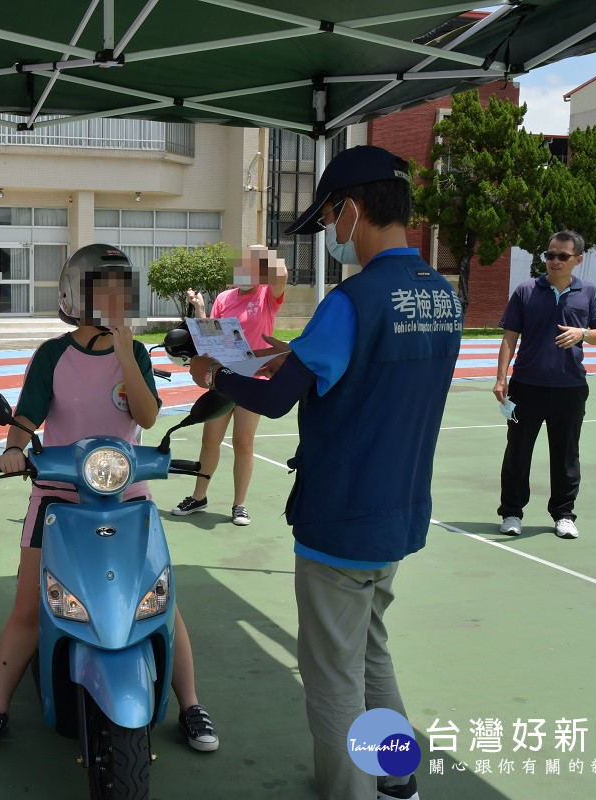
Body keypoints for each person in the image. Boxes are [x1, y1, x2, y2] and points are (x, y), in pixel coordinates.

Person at [188, 145, 462, 800]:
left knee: (333, 678)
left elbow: (278, 396)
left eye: (331, 218)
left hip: (339, 519)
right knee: (370, 653)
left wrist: (215, 374)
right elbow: (346, 367)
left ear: (352, 210)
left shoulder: (353, 299)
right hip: (397, 516)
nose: (332, 234)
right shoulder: (440, 297)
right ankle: (397, 780)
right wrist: (286, 352)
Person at [0, 244, 219, 755]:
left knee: (162, 605)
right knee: (28, 608)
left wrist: (128, 356)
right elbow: (25, 418)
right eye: (105, 287)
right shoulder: (52, 356)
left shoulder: (138, 354)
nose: (117, 298)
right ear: (76, 295)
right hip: (58, 497)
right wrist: (15, 449)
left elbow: (147, 418)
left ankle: (190, 702)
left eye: (123, 288)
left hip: (127, 496)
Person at [493, 231, 596, 540]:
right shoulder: (526, 290)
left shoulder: (589, 294)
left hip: (570, 389)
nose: (554, 261)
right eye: (549, 255)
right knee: (517, 451)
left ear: (578, 260)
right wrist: (501, 378)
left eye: (562, 256)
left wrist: (581, 333)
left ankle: (563, 514)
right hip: (525, 388)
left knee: (566, 454)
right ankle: (512, 513)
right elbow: (509, 337)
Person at [172, 245, 287, 525]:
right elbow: (210, 332)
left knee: (243, 442)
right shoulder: (224, 297)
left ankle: (239, 504)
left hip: (255, 378)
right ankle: (199, 497)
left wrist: (259, 251)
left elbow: (281, 272)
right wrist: (200, 309)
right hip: (224, 378)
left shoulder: (267, 295)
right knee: (210, 440)